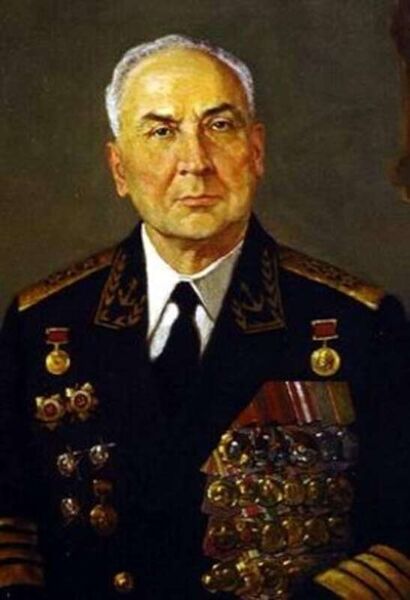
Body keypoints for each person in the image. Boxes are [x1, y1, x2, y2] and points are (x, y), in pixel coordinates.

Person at [0, 34, 409, 600]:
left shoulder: (359, 325)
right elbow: (10, 527)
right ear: (119, 168)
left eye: (219, 126)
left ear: (256, 151)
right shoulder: (44, 324)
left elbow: (399, 539)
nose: (194, 162)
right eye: (161, 132)